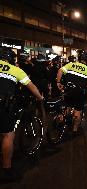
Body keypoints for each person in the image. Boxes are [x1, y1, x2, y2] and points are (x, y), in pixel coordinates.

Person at [0, 47, 43, 181]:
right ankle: (7, 169)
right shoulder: (16, 70)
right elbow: (32, 88)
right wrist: (40, 98)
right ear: (11, 59)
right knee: (8, 134)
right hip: (3, 103)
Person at [56, 49, 87, 135]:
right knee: (78, 111)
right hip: (79, 92)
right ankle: (74, 129)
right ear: (86, 60)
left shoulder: (70, 65)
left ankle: (63, 121)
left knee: (67, 106)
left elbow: (60, 71)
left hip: (68, 90)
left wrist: (58, 82)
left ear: (78, 58)